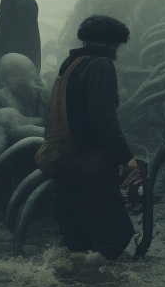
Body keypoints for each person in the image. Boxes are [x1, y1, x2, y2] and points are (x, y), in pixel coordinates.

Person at [39, 15, 139, 260]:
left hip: (64, 162)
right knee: (118, 233)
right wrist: (125, 157)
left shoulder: (70, 65)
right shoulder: (101, 65)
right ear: (111, 44)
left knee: (78, 239)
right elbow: (103, 118)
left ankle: (73, 285)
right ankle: (94, 286)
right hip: (91, 166)